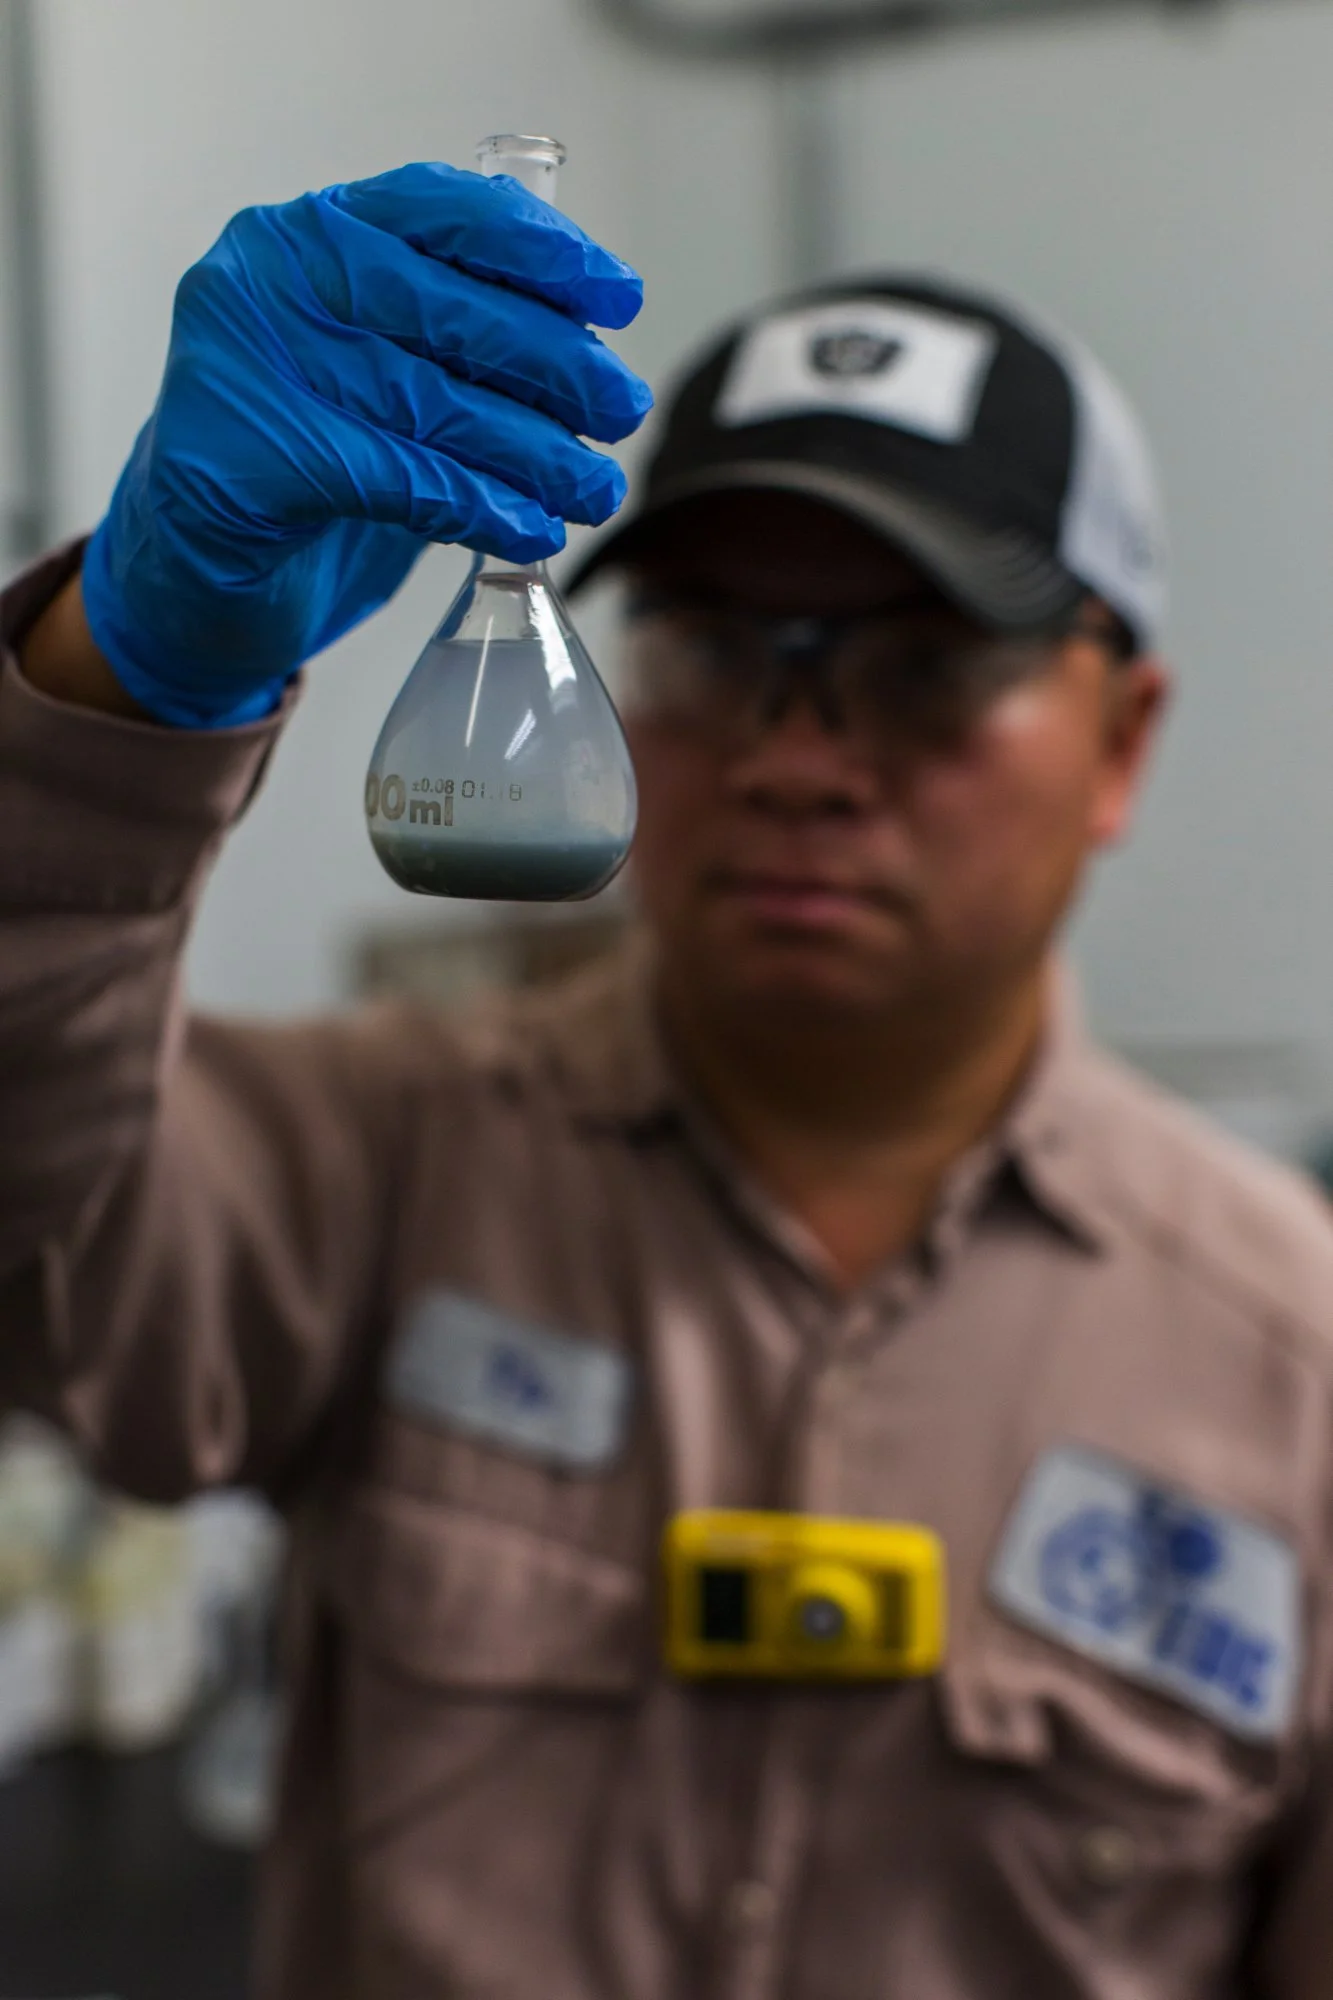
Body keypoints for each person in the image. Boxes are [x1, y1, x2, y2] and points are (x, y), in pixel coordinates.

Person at [1, 159, 1332, 2000]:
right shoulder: (382, 1155)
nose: (796, 758)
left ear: (1122, 739)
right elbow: (31, 1234)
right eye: (714, 648)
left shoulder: (1297, 1372)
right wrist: (125, 691)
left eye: (923, 667)